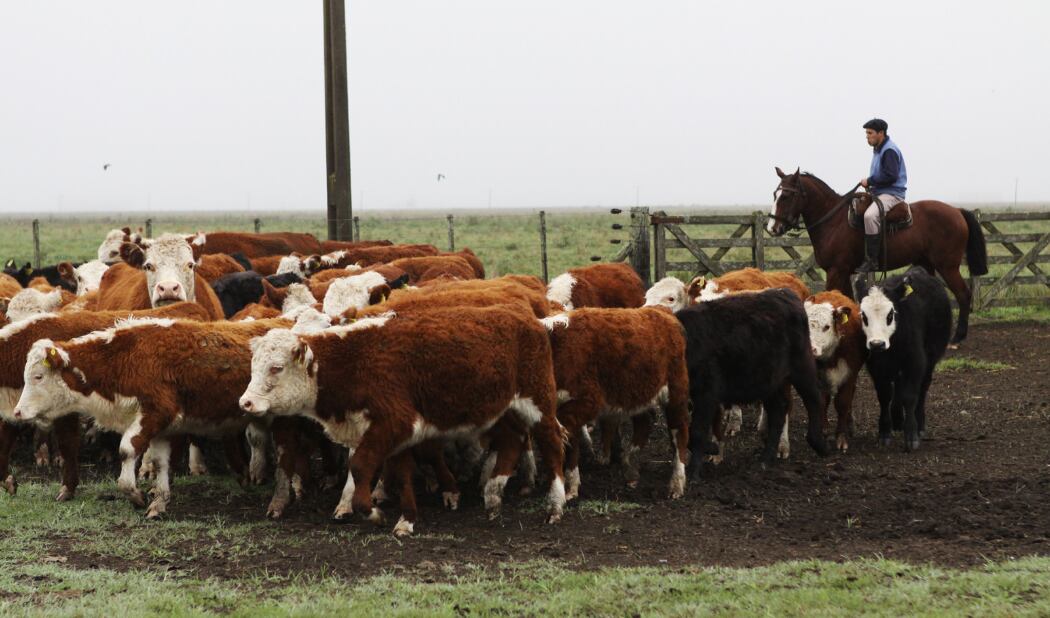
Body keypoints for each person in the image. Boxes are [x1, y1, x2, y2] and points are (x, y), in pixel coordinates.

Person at [856, 118, 907, 273]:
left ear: (881, 133)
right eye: (866, 133)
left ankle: (872, 261)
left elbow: (891, 176)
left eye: (870, 133)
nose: (867, 136)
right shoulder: (879, 149)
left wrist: (869, 181)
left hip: (892, 194)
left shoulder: (889, 150)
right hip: (880, 192)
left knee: (870, 216)